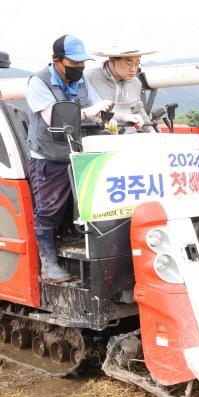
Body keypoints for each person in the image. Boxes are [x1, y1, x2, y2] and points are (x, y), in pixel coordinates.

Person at [26, 35, 116, 283]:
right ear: (57, 60)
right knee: (49, 208)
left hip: (79, 153)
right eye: (74, 62)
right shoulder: (38, 82)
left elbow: (99, 105)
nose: (80, 67)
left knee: (87, 205)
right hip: (49, 156)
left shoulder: (82, 79)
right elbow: (54, 119)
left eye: (82, 62)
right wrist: (90, 112)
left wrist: (122, 118)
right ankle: (49, 264)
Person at [86, 44, 157, 131]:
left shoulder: (136, 83)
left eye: (137, 63)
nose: (133, 69)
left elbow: (137, 109)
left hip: (129, 137)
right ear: (112, 59)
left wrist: (150, 128)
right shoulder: (90, 77)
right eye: (129, 63)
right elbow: (84, 110)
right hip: (98, 137)